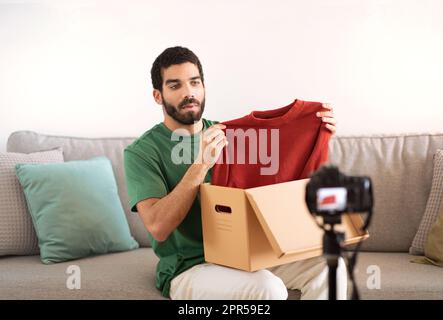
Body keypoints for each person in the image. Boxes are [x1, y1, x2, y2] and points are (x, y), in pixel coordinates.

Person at [123, 46, 346, 300]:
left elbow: (281, 185)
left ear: (204, 87)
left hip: (245, 256)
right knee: (268, 288)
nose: (189, 93)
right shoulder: (141, 153)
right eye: (175, 86)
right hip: (190, 268)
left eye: (195, 83)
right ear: (158, 96)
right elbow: (158, 226)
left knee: (331, 266)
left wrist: (317, 138)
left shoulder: (232, 136)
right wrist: (201, 165)